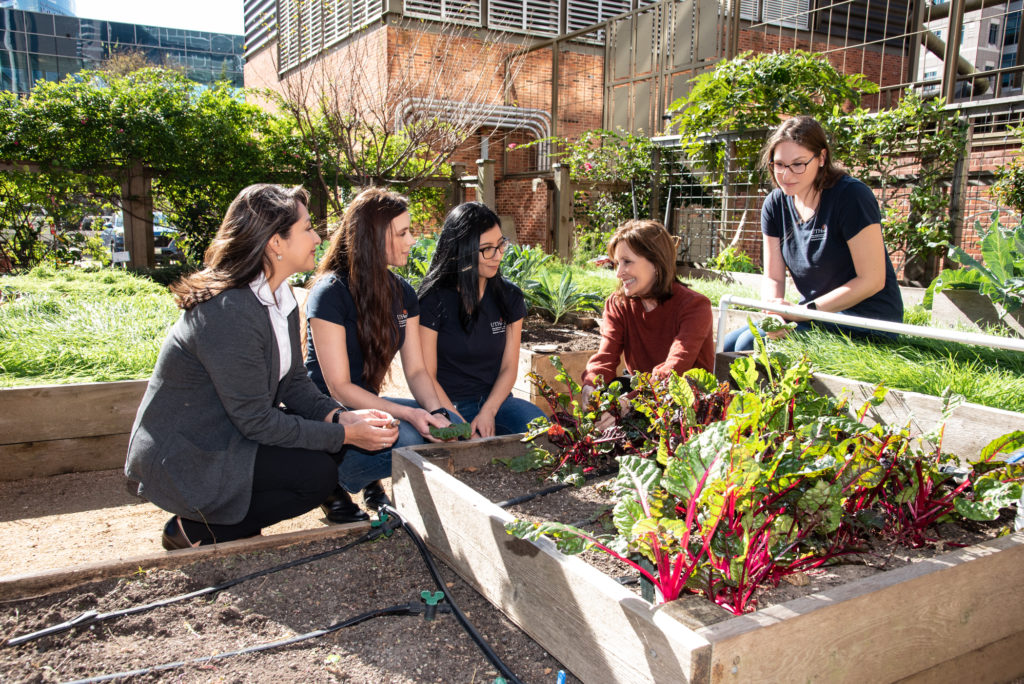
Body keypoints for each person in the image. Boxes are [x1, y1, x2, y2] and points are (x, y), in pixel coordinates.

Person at [125, 184, 398, 550]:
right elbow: (256, 420)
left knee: (327, 448)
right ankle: (193, 529)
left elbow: (294, 383)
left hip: (228, 434)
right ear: (275, 243)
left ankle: (233, 517)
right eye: (306, 228)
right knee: (316, 475)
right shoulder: (230, 311)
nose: (318, 237)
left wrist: (341, 418)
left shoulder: (278, 295)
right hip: (190, 454)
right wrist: (346, 434)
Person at [304, 187, 451, 523]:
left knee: (448, 428)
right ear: (372, 237)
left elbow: (416, 372)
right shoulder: (330, 293)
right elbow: (339, 388)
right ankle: (331, 480)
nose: (412, 240)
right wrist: (411, 416)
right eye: (402, 232)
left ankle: (369, 478)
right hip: (331, 418)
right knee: (411, 434)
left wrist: (436, 412)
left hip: (371, 408)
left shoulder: (403, 293)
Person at [721, 115, 903, 352]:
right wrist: (774, 312)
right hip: (812, 313)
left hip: (867, 319)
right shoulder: (775, 205)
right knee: (728, 345)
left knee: (751, 344)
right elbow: (774, 278)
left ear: (822, 158)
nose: (786, 175)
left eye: (798, 164)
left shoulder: (851, 196)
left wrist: (804, 312)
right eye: (779, 165)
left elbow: (872, 280)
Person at [417, 202, 545, 437]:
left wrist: (488, 411)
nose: (497, 256)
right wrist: (461, 426)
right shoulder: (433, 300)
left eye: (500, 245)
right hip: (446, 405)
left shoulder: (510, 297)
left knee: (541, 428)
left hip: (497, 403)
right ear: (461, 251)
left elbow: (509, 368)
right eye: (487, 249)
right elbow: (427, 376)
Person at [582, 219, 715, 420]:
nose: (619, 273)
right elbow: (606, 357)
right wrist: (591, 386)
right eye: (617, 264)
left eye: (627, 262)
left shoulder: (694, 306)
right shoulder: (618, 304)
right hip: (643, 392)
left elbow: (675, 368)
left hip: (686, 401)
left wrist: (629, 402)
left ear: (656, 262)